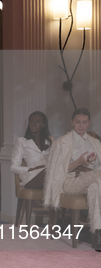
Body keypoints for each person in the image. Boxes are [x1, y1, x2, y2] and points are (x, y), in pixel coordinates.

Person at [44, 107, 101, 251]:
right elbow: (58, 172)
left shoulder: (95, 143)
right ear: (71, 122)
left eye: (84, 122)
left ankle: (98, 235)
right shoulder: (61, 142)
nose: (81, 126)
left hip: (93, 178)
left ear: (89, 123)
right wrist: (80, 162)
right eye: (77, 122)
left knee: (96, 186)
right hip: (71, 181)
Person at [11, 111, 53, 189]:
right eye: (31, 121)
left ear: (43, 125)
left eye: (37, 122)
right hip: (31, 176)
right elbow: (13, 167)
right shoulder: (21, 141)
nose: (33, 124)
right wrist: (30, 169)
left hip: (49, 174)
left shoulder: (49, 141)